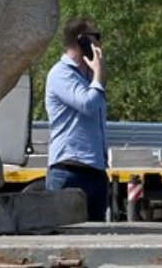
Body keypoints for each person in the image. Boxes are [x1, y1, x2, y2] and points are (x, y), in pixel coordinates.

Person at [45, 17, 109, 221]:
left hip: (96, 172)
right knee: (66, 238)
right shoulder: (61, 74)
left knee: (95, 241)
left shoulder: (89, 77)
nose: (99, 44)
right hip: (69, 171)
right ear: (82, 41)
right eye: (96, 38)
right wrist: (99, 72)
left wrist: (95, 74)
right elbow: (88, 105)